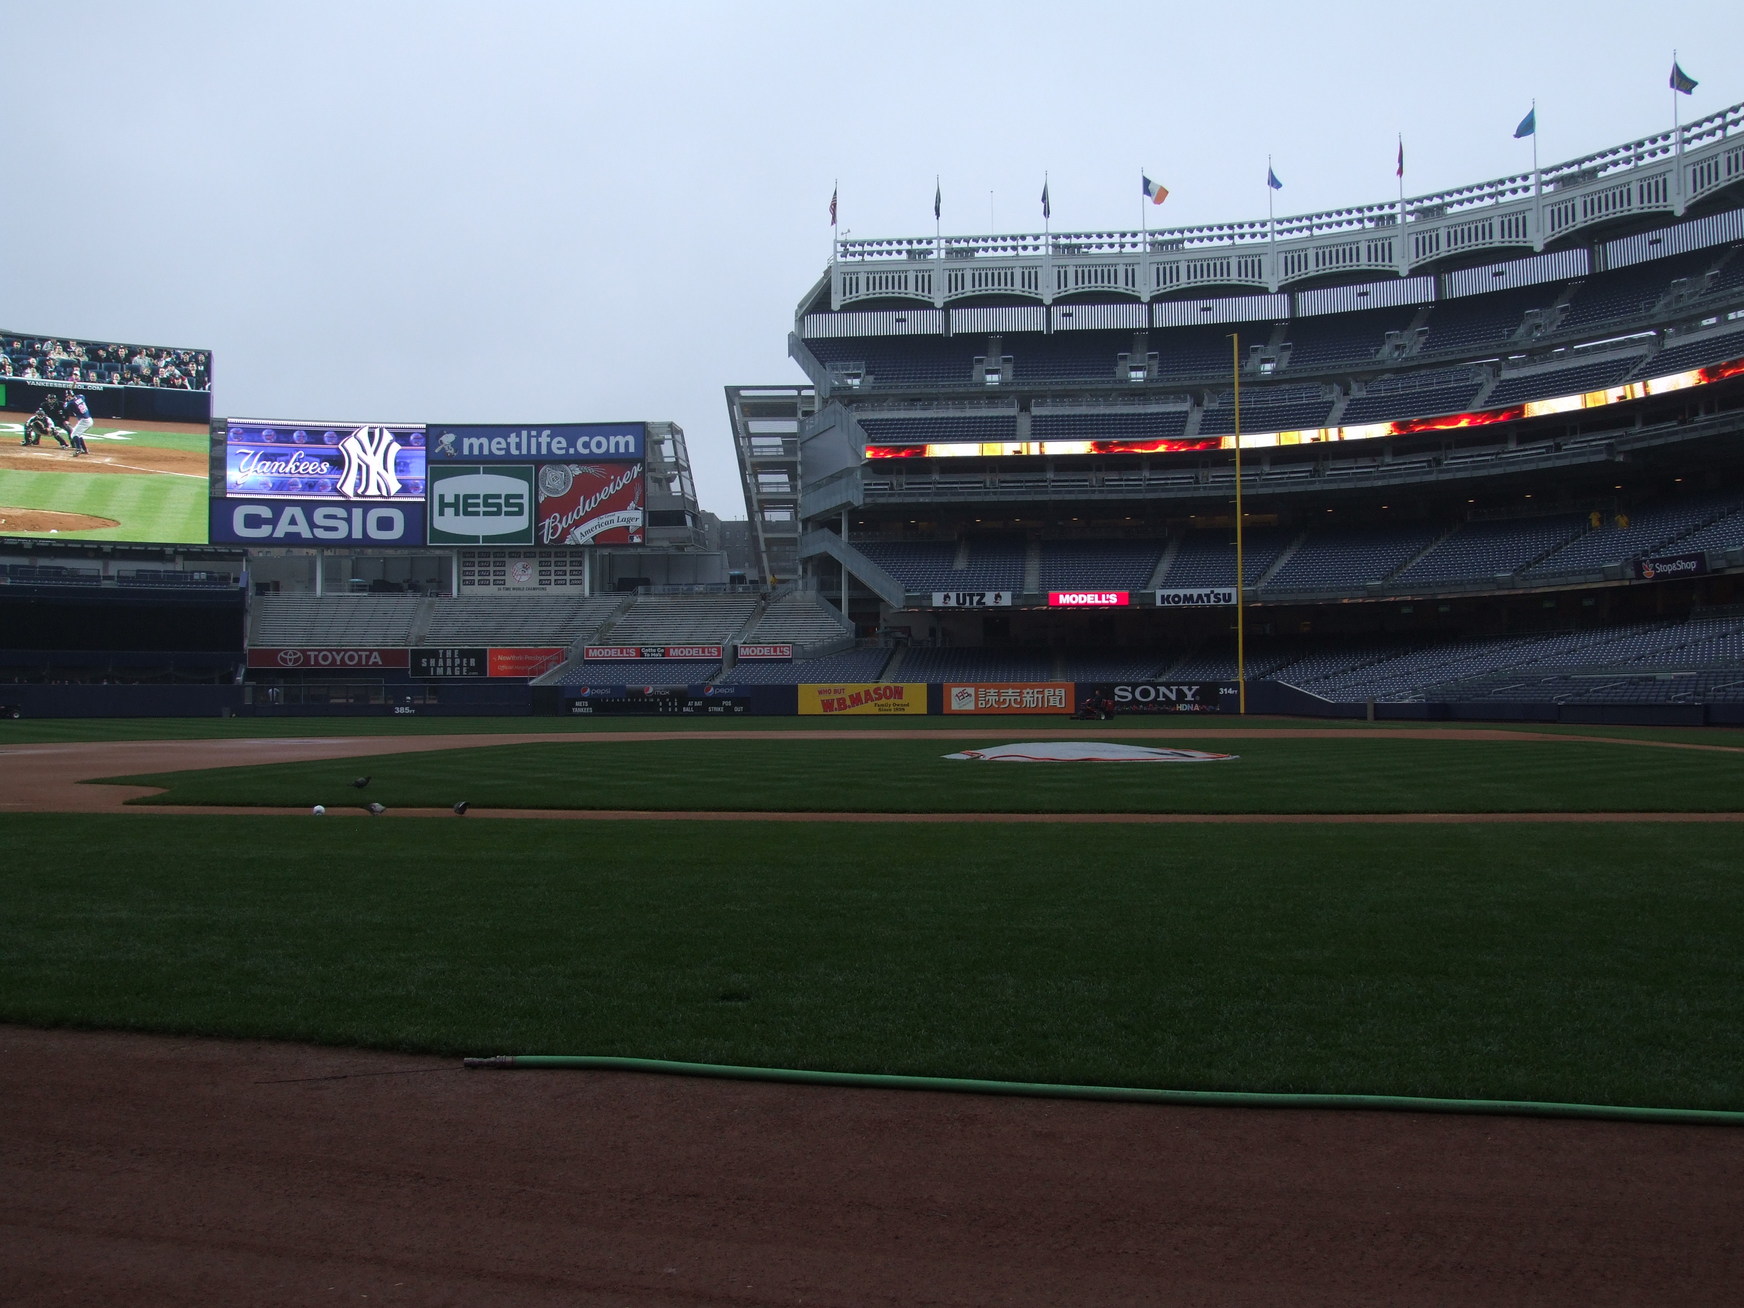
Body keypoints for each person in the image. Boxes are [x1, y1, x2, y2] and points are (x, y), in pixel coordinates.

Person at [63, 389, 93, 455]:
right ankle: (84, 449)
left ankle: (78, 449)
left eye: (67, 396)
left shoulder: (71, 403)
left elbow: (65, 407)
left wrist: (66, 401)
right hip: (88, 419)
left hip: (84, 421)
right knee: (78, 434)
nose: (67, 397)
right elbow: (82, 396)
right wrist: (71, 398)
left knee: (74, 435)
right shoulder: (80, 397)